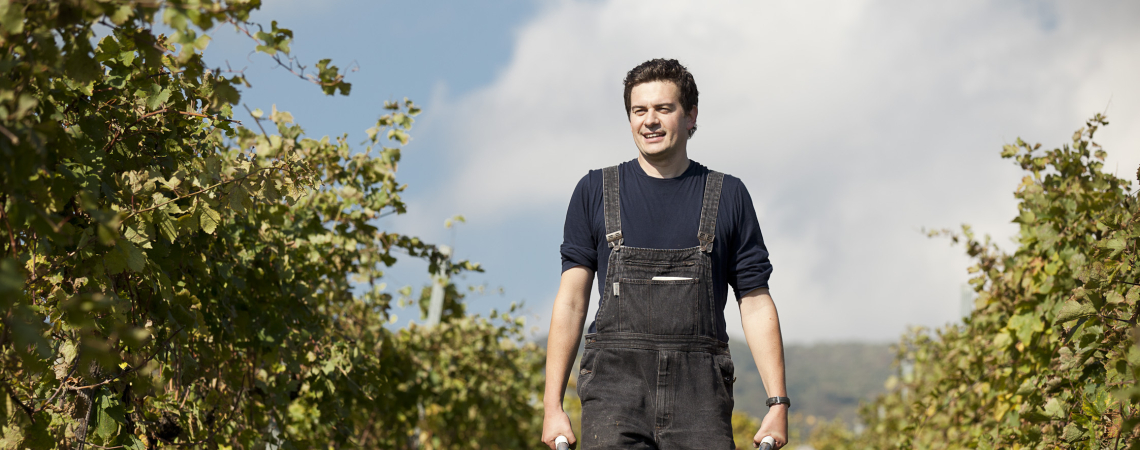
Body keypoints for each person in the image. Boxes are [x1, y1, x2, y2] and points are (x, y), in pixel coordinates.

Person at [541, 58, 789, 450]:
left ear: (690, 116)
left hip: (701, 398)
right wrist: (551, 404)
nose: (650, 120)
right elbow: (571, 301)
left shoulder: (729, 195)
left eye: (663, 109)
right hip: (614, 394)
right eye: (639, 110)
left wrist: (778, 403)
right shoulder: (594, 191)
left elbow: (755, 303)